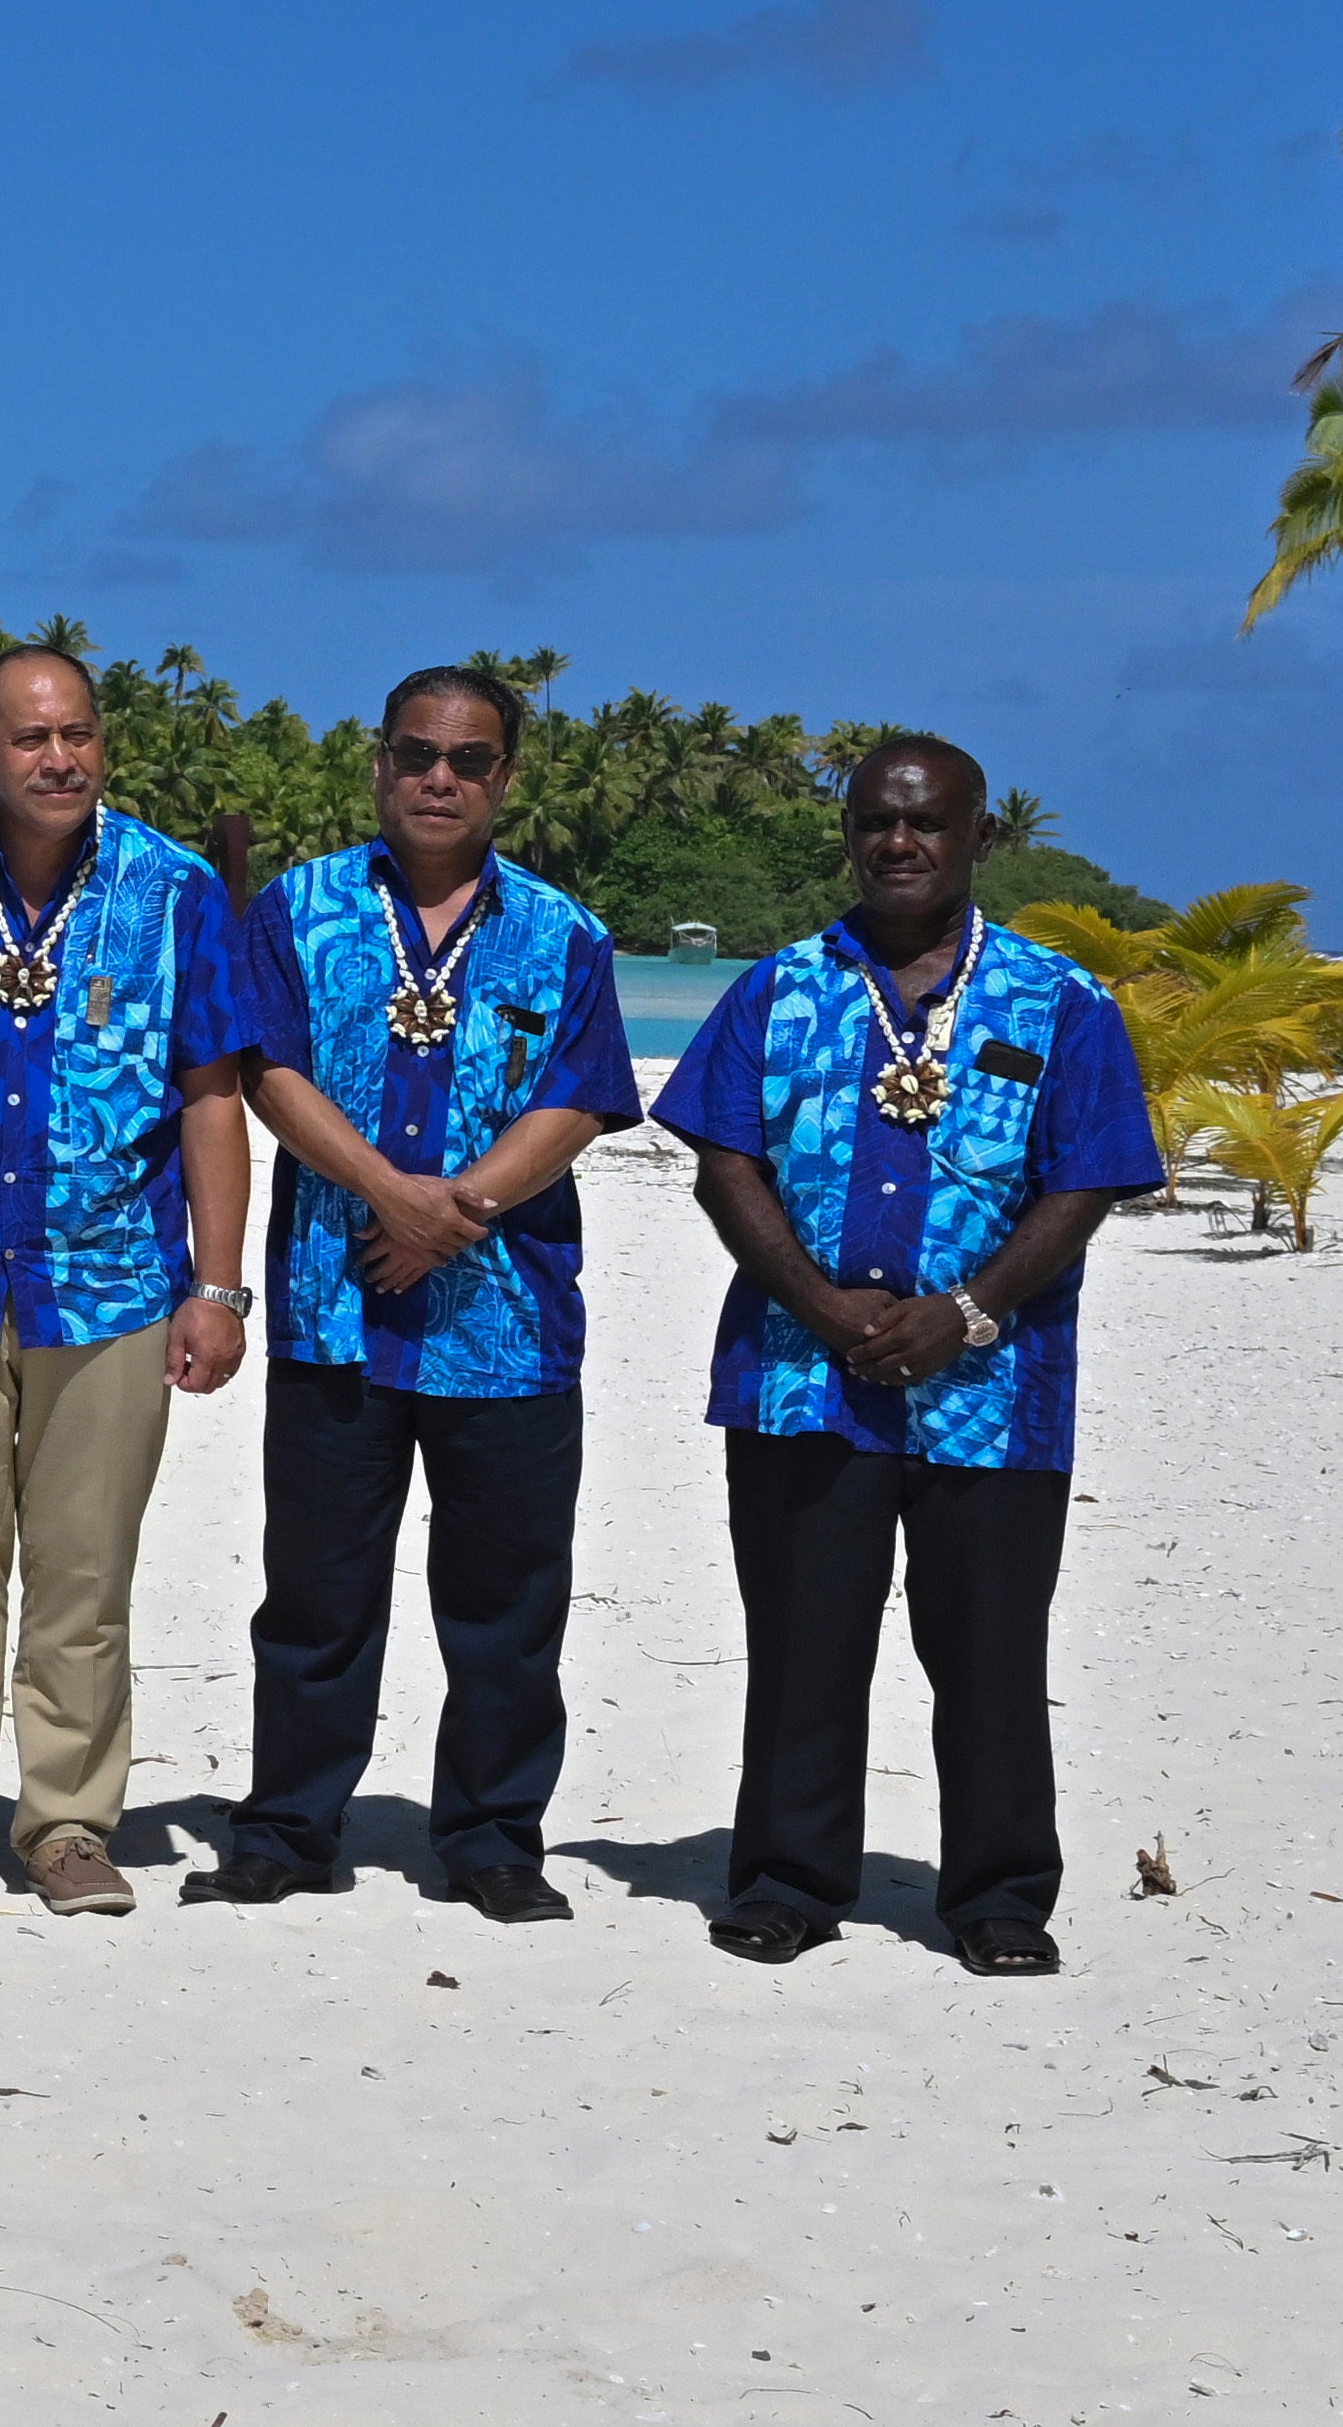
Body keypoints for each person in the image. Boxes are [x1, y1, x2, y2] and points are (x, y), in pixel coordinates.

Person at [659, 733, 1158, 1975]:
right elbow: (722, 1159)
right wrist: (817, 1303)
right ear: (847, 831)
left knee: (987, 1648)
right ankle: (786, 1877)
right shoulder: (775, 988)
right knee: (800, 1641)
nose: (899, 841)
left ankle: (994, 1895)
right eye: (877, 820)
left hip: (990, 1391)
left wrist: (968, 1308)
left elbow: (1086, 1177)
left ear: (977, 838)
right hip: (795, 1379)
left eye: (927, 823)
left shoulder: (1058, 1001)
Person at [0, 646, 285, 1914]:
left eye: (76, 733)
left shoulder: (172, 887)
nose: (58, 758)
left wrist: (219, 1285)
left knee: (83, 1580)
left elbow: (209, 1096)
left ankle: (69, 1824)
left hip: (114, 1284)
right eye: (29, 738)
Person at [196, 667, 647, 1921]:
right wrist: (384, 1189)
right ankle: (286, 1826)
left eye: (466, 758)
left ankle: (493, 1832)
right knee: (314, 1593)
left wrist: (454, 1214)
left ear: (504, 776)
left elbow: (577, 1098)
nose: (437, 777)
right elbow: (262, 1066)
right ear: (379, 764)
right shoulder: (298, 907)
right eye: (414, 754)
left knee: (503, 1601)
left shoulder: (562, 933)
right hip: (335, 1312)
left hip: (503, 1325)